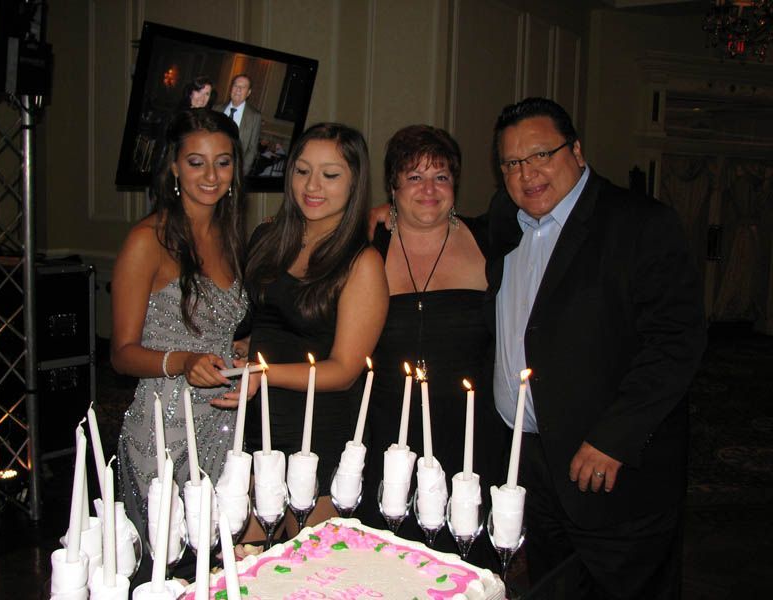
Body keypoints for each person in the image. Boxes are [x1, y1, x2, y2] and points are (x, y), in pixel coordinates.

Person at [486, 97, 706, 598]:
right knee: (553, 586)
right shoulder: (505, 220)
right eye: (512, 163)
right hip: (535, 465)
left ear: (577, 151)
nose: (528, 173)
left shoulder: (641, 225)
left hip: (613, 469)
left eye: (542, 154)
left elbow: (676, 341)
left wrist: (614, 438)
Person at [219, 122, 388, 538]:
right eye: (301, 170)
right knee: (247, 560)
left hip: (320, 432)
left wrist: (262, 372)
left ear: (354, 182)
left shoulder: (361, 263)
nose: (312, 185)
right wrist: (245, 346)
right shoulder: (268, 237)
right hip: (262, 421)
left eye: (330, 175)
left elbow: (345, 369)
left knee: (306, 571)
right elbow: (264, 320)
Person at [357, 125, 506, 568]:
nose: (428, 189)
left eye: (440, 176)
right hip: (387, 431)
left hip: (470, 435)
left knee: (464, 565)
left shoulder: (489, 240)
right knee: (387, 564)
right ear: (393, 186)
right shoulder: (368, 242)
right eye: (414, 176)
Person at [112, 109, 251, 536]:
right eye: (196, 162)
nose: (211, 175)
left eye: (223, 162)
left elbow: (224, 332)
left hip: (226, 422)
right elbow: (121, 355)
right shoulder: (147, 240)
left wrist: (242, 356)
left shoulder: (230, 235)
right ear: (174, 165)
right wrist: (183, 359)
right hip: (165, 432)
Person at [215, 74, 262, 176]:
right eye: (236, 85)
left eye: (243, 87)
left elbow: (252, 148)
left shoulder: (254, 117)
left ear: (248, 92)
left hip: (234, 171)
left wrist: (241, 173)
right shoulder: (216, 109)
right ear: (231, 88)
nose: (238, 89)